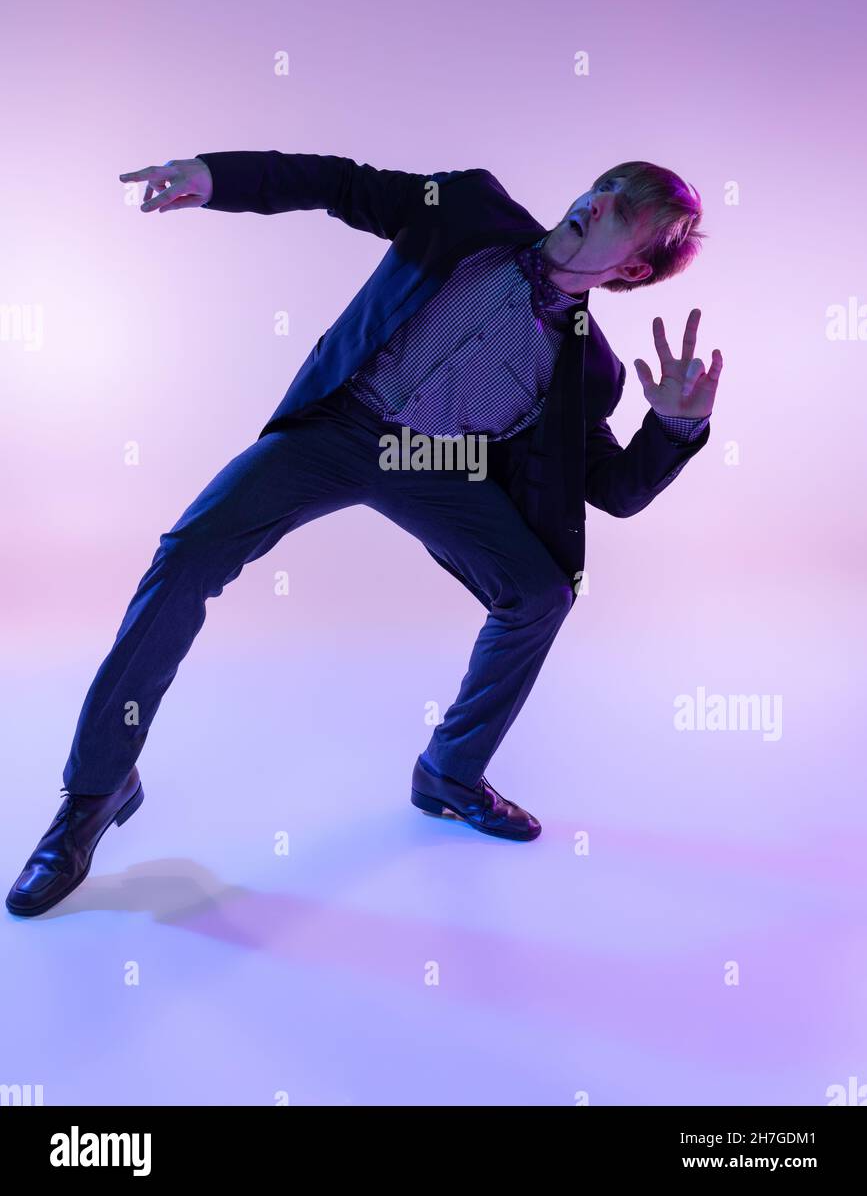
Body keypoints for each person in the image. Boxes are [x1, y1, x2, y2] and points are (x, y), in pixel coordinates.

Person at [6, 151, 722, 917]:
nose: (597, 200)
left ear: (635, 271)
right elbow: (341, 185)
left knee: (540, 593)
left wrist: (678, 424)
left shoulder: (592, 373)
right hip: (340, 427)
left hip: (436, 466)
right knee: (187, 557)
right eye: (603, 184)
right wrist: (220, 178)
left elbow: (611, 490)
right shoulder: (468, 209)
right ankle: (94, 792)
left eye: (624, 211)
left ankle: (449, 773)